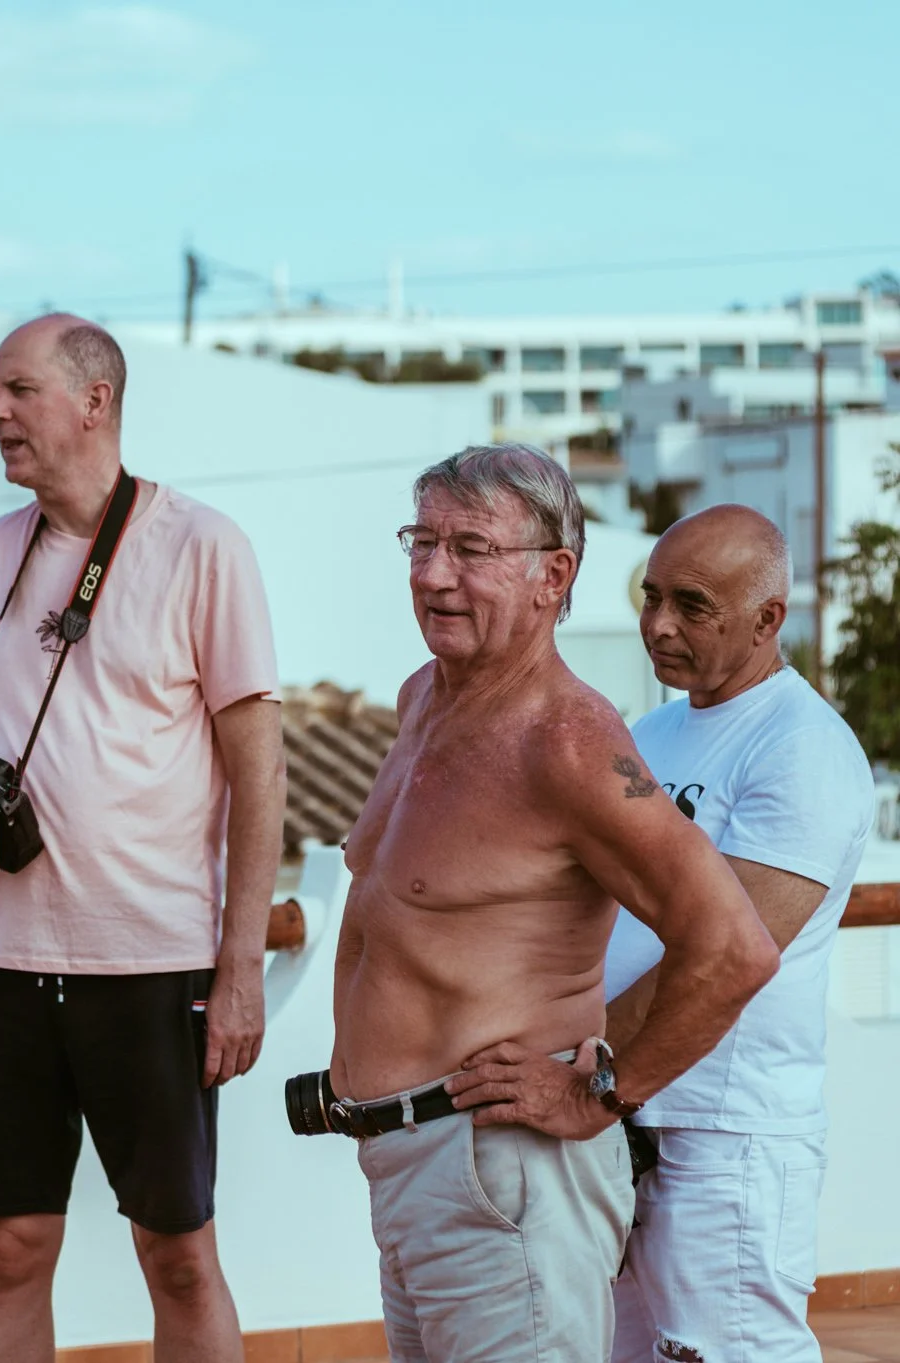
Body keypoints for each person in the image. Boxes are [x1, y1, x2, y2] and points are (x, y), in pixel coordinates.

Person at [332, 444, 779, 1362]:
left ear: (554, 574)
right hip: (411, 1168)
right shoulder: (424, 698)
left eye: (471, 548)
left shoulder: (568, 741)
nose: (434, 573)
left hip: (502, 1179)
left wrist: (601, 1092)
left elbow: (735, 945)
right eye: (422, 541)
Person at [0, 314, 286, 1363]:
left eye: (18, 390)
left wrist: (238, 968)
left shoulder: (201, 544)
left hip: (151, 960)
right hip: (3, 960)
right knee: (8, 1247)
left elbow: (259, 771)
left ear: (94, 401)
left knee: (177, 1253)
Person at [605, 504, 874, 1363]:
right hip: (627, 1122)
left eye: (691, 604)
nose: (659, 624)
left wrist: (585, 1071)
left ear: (767, 619)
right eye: (652, 596)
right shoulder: (649, 735)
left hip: (726, 1138)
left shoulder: (803, 749)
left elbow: (726, 956)